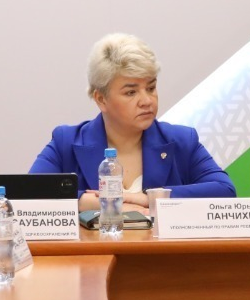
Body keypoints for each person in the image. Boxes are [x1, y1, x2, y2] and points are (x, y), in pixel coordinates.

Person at [31, 33, 235, 210]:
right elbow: (28, 193)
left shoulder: (181, 141)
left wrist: (150, 199)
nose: (147, 101)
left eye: (151, 88)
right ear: (101, 99)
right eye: (131, 92)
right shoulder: (66, 143)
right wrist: (93, 202)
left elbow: (224, 191)